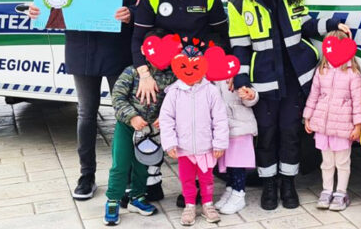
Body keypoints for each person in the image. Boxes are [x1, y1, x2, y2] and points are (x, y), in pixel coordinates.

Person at [28, 0, 154, 199]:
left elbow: (149, 1)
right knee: (86, 114)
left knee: (125, 112)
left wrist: (132, 13)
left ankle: (126, 176)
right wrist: (40, 10)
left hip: (119, 46)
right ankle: (86, 177)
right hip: (82, 46)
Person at [227, 0, 351, 210]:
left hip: (295, 78)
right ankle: (269, 185)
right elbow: (239, 47)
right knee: (268, 135)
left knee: (291, 132)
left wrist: (333, 24)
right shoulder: (239, 1)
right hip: (264, 81)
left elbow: (305, 23)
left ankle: (288, 184)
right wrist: (241, 79)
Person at [131, 0, 230, 201]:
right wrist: (143, 74)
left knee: (196, 126)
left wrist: (216, 66)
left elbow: (222, 35)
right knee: (153, 116)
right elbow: (137, 39)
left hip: (196, 69)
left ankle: (196, 185)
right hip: (161, 69)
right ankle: (152, 180)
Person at [104, 29, 177, 225]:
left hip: (150, 131)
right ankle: (113, 199)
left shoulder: (171, 76)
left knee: (143, 165)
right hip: (127, 127)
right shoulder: (131, 72)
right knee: (120, 164)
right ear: (144, 50)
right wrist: (132, 117)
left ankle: (137, 197)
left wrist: (165, 117)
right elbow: (117, 98)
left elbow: (175, 100)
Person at [159, 46, 229, 226]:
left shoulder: (210, 90)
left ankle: (207, 204)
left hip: (206, 147)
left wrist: (219, 143)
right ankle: (190, 204)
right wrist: (170, 143)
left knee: (207, 179)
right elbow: (166, 118)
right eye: (185, 67)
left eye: (196, 67)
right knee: (187, 179)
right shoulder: (174, 92)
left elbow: (220, 118)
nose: (190, 72)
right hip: (184, 148)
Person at [303, 30, 361, 212]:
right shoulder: (321, 71)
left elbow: (357, 101)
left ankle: (341, 192)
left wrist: (358, 124)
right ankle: (327, 190)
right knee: (327, 162)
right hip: (323, 126)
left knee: (342, 162)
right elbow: (314, 95)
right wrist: (308, 116)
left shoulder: (352, 73)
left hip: (343, 126)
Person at [211, 76, 259, 215]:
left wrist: (250, 95)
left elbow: (251, 98)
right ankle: (231, 189)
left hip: (240, 126)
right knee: (228, 164)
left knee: (238, 163)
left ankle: (239, 193)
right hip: (223, 129)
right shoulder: (210, 77)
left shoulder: (238, 74)